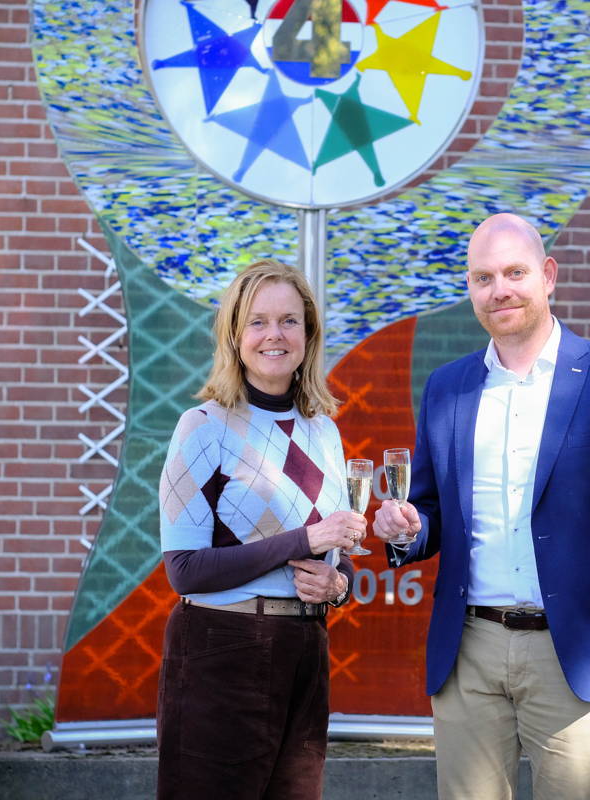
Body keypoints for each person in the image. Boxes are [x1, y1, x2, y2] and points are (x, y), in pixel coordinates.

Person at [371, 213, 590, 800]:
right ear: (470, 289)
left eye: (515, 272)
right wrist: (407, 528)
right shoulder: (448, 387)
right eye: (483, 278)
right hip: (468, 649)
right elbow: (431, 510)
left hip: (574, 652)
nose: (500, 290)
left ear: (548, 275)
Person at [156, 259, 367, 800]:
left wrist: (337, 585)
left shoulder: (324, 431)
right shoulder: (202, 427)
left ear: (308, 334)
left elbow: (335, 556)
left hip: (306, 649)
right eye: (258, 321)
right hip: (222, 651)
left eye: (289, 321)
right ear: (234, 335)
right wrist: (305, 540)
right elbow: (185, 571)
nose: (275, 334)